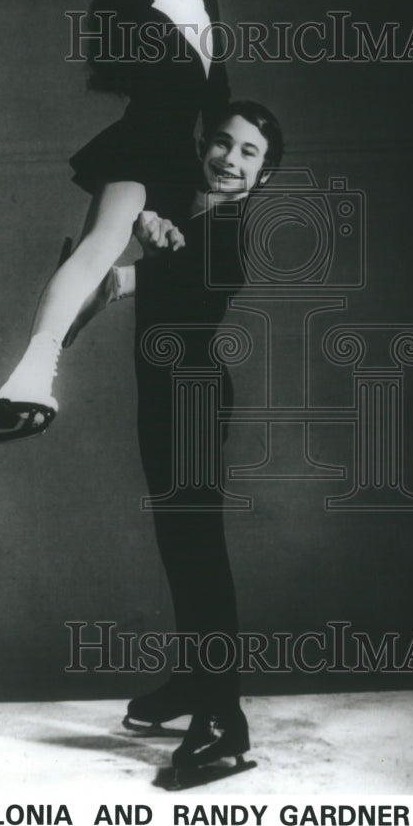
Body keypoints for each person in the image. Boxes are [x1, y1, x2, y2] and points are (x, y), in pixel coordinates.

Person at [0, 0, 228, 445]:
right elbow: (162, 92)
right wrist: (155, 207)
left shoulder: (206, 2)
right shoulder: (130, 13)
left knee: (212, 266)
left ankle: (114, 287)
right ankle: (31, 378)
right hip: (144, 149)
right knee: (102, 243)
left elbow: (217, 96)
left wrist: (217, 170)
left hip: (188, 163)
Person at [127, 101, 284, 783]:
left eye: (249, 152)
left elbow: (167, 281)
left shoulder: (226, 232)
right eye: (222, 143)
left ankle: (222, 719)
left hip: (190, 398)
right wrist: (148, 223)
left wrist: (130, 259)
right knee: (176, 541)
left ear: (263, 174)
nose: (230, 158)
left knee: (197, 551)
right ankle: (196, 679)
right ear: (202, 148)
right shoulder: (182, 209)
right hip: (163, 396)